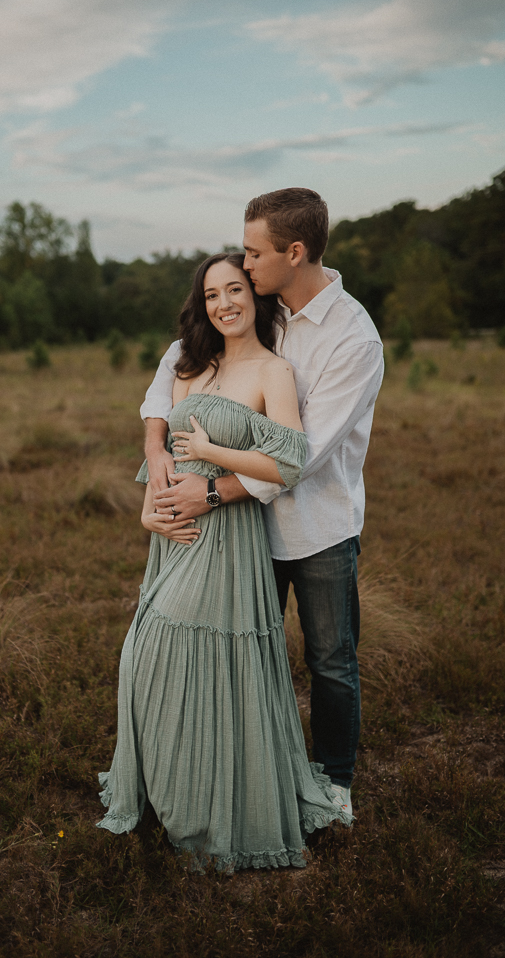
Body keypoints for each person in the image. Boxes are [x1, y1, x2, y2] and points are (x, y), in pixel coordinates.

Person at [97, 252, 351, 872]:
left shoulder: (274, 371)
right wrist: (150, 511)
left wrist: (216, 454)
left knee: (180, 656)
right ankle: (173, 790)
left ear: (254, 296)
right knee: (147, 660)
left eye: (234, 289)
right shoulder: (189, 364)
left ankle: (209, 812)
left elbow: (289, 462)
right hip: (171, 538)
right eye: (211, 294)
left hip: (227, 533)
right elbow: (163, 452)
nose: (224, 303)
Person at [142, 188, 384, 818]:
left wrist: (211, 490)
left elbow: (306, 456)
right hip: (243, 531)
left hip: (317, 527)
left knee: (330, 662)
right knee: (245, 653)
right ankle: (248, 775)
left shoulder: (352, 339)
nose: (244, 264)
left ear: (294, 252)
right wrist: (156, 444)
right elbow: (174, 365)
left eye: (253, 253)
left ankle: (335, 785)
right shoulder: (260, 303)